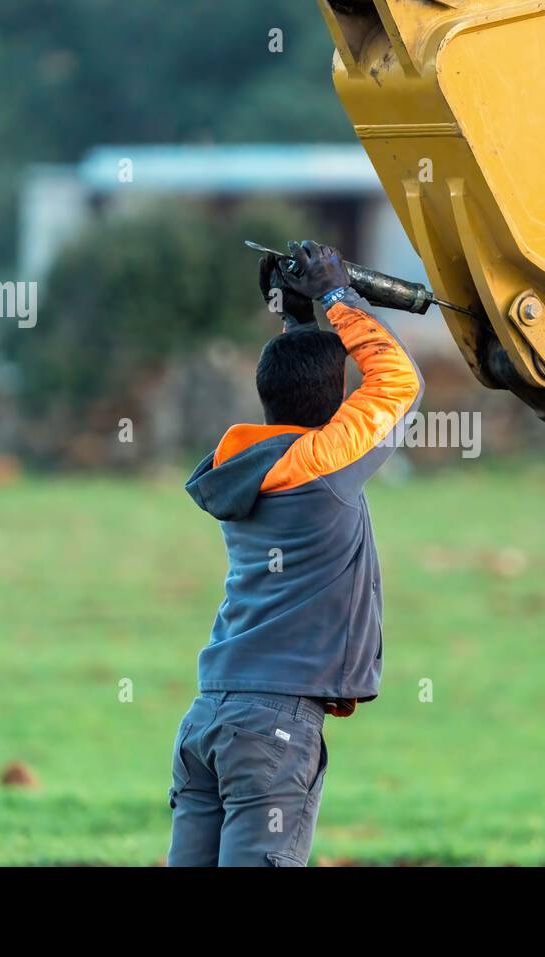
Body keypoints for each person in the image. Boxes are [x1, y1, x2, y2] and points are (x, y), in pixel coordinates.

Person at [166, 241, 423, 866]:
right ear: (335, 409)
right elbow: (398, 381)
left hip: (208, 718)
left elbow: (302, 396)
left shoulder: (244, 463)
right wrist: (339, 296)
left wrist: (297, 321)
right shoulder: (322, 465)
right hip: (272, 727)